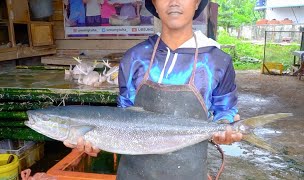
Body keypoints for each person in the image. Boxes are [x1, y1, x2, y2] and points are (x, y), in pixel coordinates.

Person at [64, 0, 243, 179]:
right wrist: (97, 140)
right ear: (154, 5)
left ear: (197, 3)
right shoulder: (135, 58)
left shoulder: (217, 61)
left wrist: (225, 129)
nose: (174, 2)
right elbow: (124, 115)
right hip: (133, 174)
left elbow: (224, 111)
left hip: (190, 172)